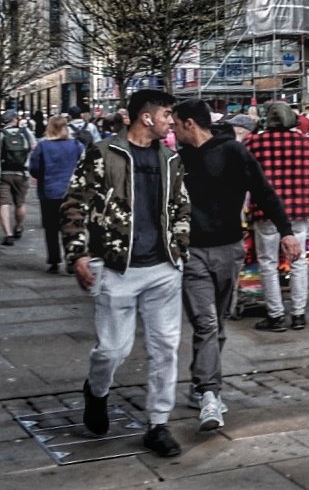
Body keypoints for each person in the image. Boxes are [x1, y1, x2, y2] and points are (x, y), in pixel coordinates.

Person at [61, 89, 189, 458]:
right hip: (117, 266)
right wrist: (78, 254)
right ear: (146, 117)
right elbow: (74, 203)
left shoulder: (170, 159)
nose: (171, 120)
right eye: (167, 114)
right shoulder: (104, 154)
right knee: (112, 349)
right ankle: (96, 390)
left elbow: (181, 206)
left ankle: (158, 423)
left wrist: (179, 248)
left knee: (165, 347)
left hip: (163, 267)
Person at [171, 99, 301, 430]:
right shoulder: (176, 159)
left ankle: (198, 385)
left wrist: (287, 232)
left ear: (189, 124)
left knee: (218, 324)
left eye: (175, 124)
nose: (171, 129)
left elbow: (263, 191)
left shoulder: (233, 153)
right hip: (193, 253)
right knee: (206, 323)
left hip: (229, 250)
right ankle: (210, 395)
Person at [244, 102, 309, 332]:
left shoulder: (255, 142)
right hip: (298, 211)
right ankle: (299, 314)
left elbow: (240, 165)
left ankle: (276, 315)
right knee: (298, 262)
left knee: (268, 263)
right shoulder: (303, 142)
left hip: (267, 212)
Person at [28, 115, 84, 273]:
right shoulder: (76, 144)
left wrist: (43, 177)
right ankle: (73, 259)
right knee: (72, 227)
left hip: (49, 192)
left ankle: (54, 261)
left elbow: (34, 169)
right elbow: (84, 164)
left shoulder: (43, 146)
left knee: (51, 228)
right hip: (72, 192)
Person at [1, 109, 36, 246]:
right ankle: (18, 226)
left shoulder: (1, 134)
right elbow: (34, 148)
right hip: (22, 173)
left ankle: (8, 234)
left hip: (3, 173)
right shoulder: (25, 133)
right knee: (20, 203)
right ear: (15, 119)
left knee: (3, 204)